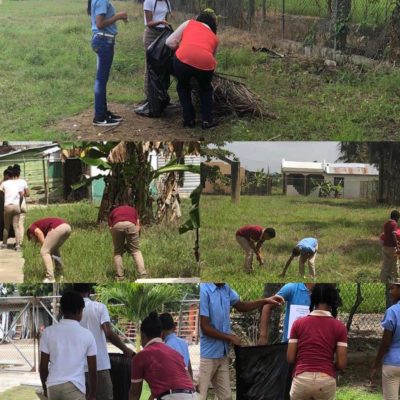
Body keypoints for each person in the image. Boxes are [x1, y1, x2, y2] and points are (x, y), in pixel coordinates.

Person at [199, 282, 284, 400]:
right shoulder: (204, 291)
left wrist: (266, 301)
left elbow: (241, 306)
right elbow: (205, 327)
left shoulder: (226, 288)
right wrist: (230, 337)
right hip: (206, 355)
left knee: (226, 397)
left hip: (222, 353)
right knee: (200, 396)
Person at [74, 284, 135, 400]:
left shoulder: (69, 313)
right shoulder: (99, 307)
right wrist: (126, 350)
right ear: (90, 291)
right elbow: (108, 333)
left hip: (77, 369)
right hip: (99, 366)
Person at [287, 284, 347, 400]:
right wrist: (329, 366)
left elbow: (290, 358)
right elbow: (342, 363)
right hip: (325, 380)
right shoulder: (340, 327)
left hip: (301, 379)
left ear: (313, 299)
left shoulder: (298, 324)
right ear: (333, 301)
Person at [166, 10, 219, 129]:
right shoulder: (215, 38)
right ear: (212, 25)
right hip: (206, 63)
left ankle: (189, 120)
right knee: (206, 89)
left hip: (182, 59)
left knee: (183, 87)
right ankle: (207, 121)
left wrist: (181, 46)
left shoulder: (189, 23)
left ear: (198, 19)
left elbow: (168, 42)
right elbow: (211, 57)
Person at [39, 291, 97, 400]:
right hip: (75, 387)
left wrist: (45, 387)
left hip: (53, 386)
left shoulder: (48, 332)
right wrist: (93, 394)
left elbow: (43, 367)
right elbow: (92, 371)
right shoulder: (87, 335)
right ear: (80, 311)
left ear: (61, 310)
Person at [129, 312, 196, 400]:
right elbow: (189, 381)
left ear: (142, 335)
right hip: (192, 396)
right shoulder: (176, 354)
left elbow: (135, 394)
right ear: (161, 334)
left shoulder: (140, 357)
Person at [88, 0, 128, 126]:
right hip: (104, 41)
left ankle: (103, 113)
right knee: (101, 81)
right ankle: (100, 117)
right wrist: (118, 16)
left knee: (101, 80)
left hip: (102, 40)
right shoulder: (102, 0)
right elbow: (100, 24)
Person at [371, 279, 400, 399]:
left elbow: (386, 342)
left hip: (393, 363)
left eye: (392, 288)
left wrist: (376, 365)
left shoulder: (392, 311)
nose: (390, 292)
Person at [141, 0, 172, 104]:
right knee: (150, 66)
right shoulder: (149, 1)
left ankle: (161, 96)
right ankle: (149, 97)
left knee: (163, 66)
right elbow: (149, 23)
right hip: (151, 34)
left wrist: (166, 26)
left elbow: (166, 18)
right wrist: (160, 22)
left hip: (163, 34)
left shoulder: (167, 2)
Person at [27, 217, 72, 283]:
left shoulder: (31, 227)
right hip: (67, 228)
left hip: (58, 228)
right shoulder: (43, 229)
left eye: (32, 239)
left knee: (44, 251)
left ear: (30, 234)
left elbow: (39, 233)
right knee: (54, 250)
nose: (35, 242)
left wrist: (45, 248)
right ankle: (59, 273)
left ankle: (50, 278)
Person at [108, 204, 147, 280]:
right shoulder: (133, 210)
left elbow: (111, 228)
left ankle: (120, 276)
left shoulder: (113, 212)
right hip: (131, 225)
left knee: (118, 252)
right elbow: (138, 226)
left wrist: (118, 243)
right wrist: (135, 242)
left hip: (117, 225)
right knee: (136, 251)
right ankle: (142, 275)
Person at [159, 312, 193, 378]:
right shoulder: (183, 343)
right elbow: (189, 368)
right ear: (174, 327)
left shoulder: (166, 347)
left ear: (161, 330)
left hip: (176, 383)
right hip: (187, 383)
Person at [0, 166, 24, 251]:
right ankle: (17, 246)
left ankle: (4, 244)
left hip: (8, 206)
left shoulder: (4, 183)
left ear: (6, 175)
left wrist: (5, 195)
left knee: (6, 227)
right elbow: (21, 194)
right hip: (16, 206)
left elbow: (0, 191)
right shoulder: (17, 183)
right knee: (16, 226)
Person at [381, 210, 400, 283]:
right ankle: (397, 280)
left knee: (386, 264)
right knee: (395, 263)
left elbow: (386, 234)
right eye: (398, 218)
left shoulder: (386, 223)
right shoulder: (394, 223)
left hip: (385, 246)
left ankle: (383, 280)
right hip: (392, 247)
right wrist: (397, 246)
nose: (398, 220)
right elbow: (393, 234)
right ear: (396, 217)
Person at [13, 164, 30, 247]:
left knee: (15, 225)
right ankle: (21, 242)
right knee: (21, 225)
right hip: (22, 205)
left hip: (13, 206)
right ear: (19, 172)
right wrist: (23, 195)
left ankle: (17, 242)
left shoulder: (9, 182)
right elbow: (28, 194)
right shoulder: (23, 182)